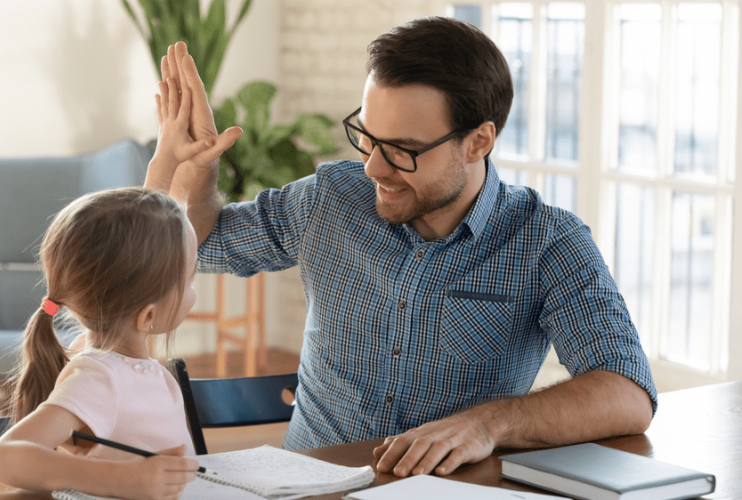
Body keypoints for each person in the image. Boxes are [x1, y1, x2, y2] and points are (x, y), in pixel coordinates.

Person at [152, 16, 657, 479]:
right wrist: (198, 171)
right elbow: (203, 245)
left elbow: (627, 394)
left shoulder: (547, 243)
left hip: (447, 490)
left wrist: (488, 424)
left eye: (402, 151)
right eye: (368, 138)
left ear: (479, 141)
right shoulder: (331, 199)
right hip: (312, 487)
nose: (373, 167)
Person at [0, 71, 240, 500]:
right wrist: (123, 481)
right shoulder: (97, 376)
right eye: (190, 277)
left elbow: (137, 255)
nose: (193, 288)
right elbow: (3, 459)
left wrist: (166, 160)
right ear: (149, 315)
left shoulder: (129, 363)